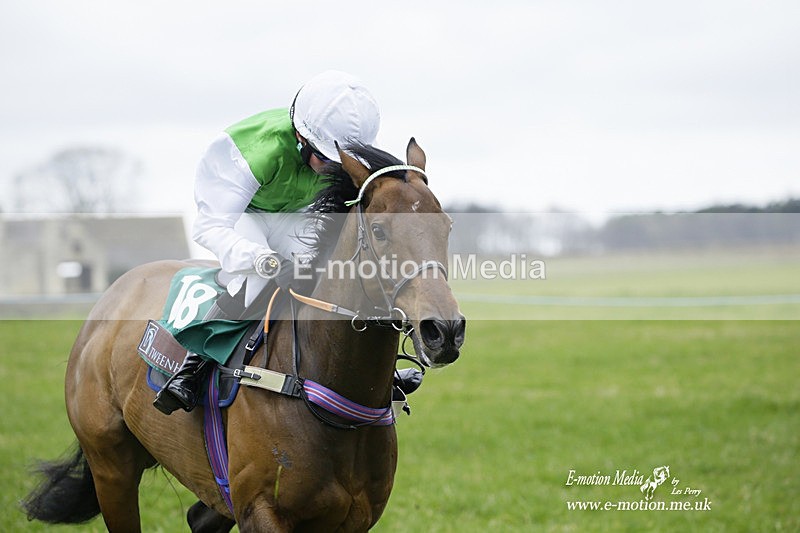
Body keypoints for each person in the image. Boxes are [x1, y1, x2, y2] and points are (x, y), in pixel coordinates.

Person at [154, 70, 381, 414]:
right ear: (302, 137)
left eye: (339, 165)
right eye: (325, 159)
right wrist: (261, 258)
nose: (330, 171)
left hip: (292, 214)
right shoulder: (256, 152)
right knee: (256, 278)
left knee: (327, 275)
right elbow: (210, 226)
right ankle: (193, 366)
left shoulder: (335, 151)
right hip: (240, 214)